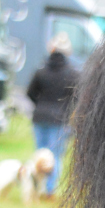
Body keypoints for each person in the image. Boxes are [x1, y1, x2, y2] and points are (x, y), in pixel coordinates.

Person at [26, 34, 78, 196]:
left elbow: (30, 93)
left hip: (40, 117)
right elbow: (76, 98)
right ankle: (49, 191)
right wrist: (67, 111)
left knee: (39, 153)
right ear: (68, 52)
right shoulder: (73, 74)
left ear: (52, 49)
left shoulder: (40, 71)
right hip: (60, 119)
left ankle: (35, 187)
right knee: (55, 156)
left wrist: (40, 105)